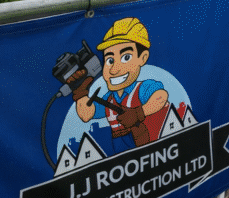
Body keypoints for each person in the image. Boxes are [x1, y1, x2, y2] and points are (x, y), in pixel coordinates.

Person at [73, 17, 171, 149]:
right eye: (109, 60)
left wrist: (139, 113)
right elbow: (86, 115)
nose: (114, 69)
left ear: (143, 58)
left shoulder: (142, 89)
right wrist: (80, 93)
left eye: (126, 57)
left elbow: (161, 97)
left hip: (153, 149)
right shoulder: (109, 100)